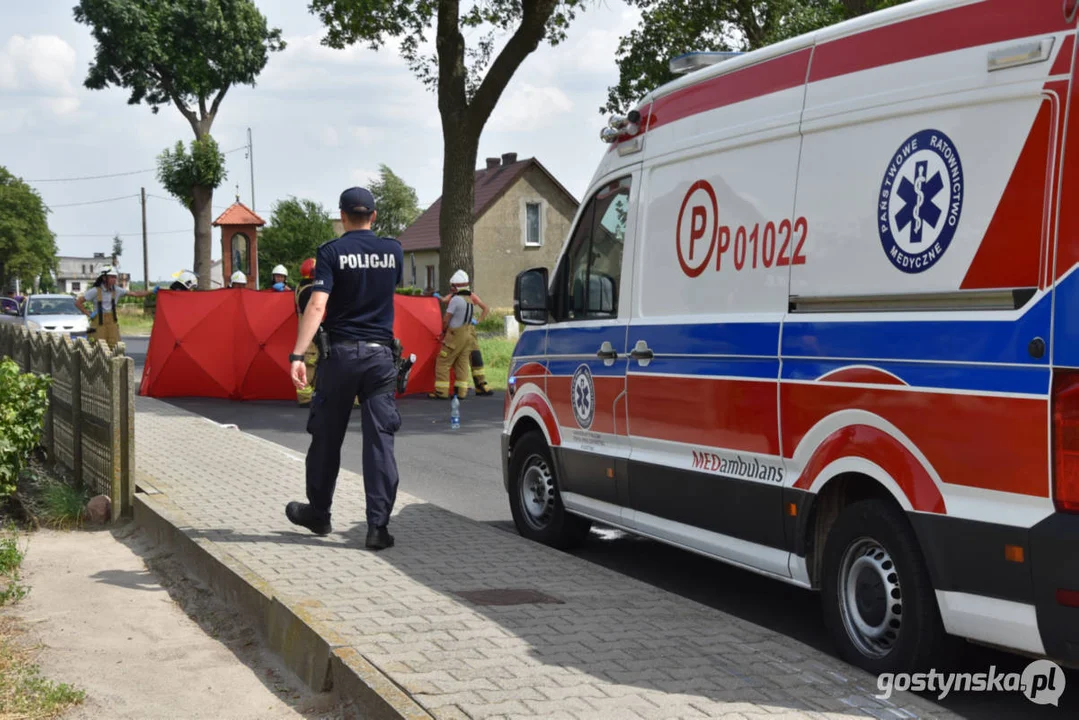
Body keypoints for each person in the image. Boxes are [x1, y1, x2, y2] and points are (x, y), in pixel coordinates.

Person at [286, 186, 403, 550]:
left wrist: (298, 355)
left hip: (341, 357)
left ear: (341, 216)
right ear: (374, 215)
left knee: (326, 436)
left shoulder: (331, 252)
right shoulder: (394, 251)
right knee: (380, 441)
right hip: (381, 359)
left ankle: (319, 513)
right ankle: (377, 528)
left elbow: (317, 306)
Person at [429, 270, 487, 399]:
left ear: (456, 286)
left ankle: (441, 392)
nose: (451, 289)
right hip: (467, 335)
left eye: (452, 286)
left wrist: (444, 331)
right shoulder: (470, 299)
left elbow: (446, 319)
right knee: (461, 364)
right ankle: (461, 392)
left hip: (455, 335)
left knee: (443, 362)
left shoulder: (455, 300)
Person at [76, 266, 155, 348]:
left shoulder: (117, 290)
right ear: (104, 278)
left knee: (115, 346)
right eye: (112, 277)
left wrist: (152, 291)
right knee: (98, 347)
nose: (114, 279)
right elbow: (78, 303)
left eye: (115, 277)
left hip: (112, 323)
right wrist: (89, 314)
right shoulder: (95, 291)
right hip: (98, 323)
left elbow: (135, 294)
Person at [438, 283, 493, 396]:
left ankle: (480, 384)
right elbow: (444, 300)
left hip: (463, 331)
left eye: (453, 288)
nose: (451, 290)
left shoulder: (463, 297)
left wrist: (477, 321)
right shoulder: (460, 297)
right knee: (462, 361)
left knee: (473, 357)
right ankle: (464, 390)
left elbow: (485, 308)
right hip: (466, 331)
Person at [294, 258, 319, 406]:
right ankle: (305, 397)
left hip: (305, 330)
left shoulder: (300, 286)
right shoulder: (309, 290)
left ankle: (307, 395)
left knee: (309, 362)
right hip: (311, 331)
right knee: (309, 363)